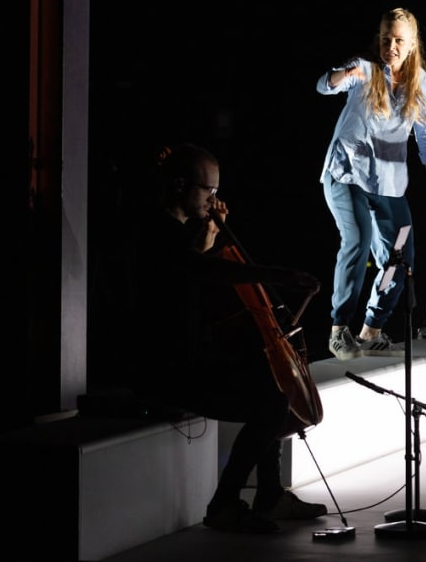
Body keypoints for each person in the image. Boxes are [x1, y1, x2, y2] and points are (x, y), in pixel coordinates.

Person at [128, 143, 328, 533]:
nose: (215, 200)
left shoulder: (178, 231)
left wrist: (212, 228)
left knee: (270, 391)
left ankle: (269, 496)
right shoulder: (156, 232)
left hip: (189, 358)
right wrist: (275, 274)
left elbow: (198, 259)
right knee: (270, 404)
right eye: (209, 191)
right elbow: (204, 270)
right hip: (167, 369)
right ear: (181, 185)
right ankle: (225, 503)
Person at [316, 7, 426, 361]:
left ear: (412, 44)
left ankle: (371, 328)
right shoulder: (366, 68)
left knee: (399, 259)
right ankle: (339, 329)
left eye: (398, 40)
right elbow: (324, 85)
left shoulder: (419, 82)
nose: (391, 46)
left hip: (389, 185)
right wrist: (343, 75)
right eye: (386, 39)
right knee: (356, 238)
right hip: (346, 174)